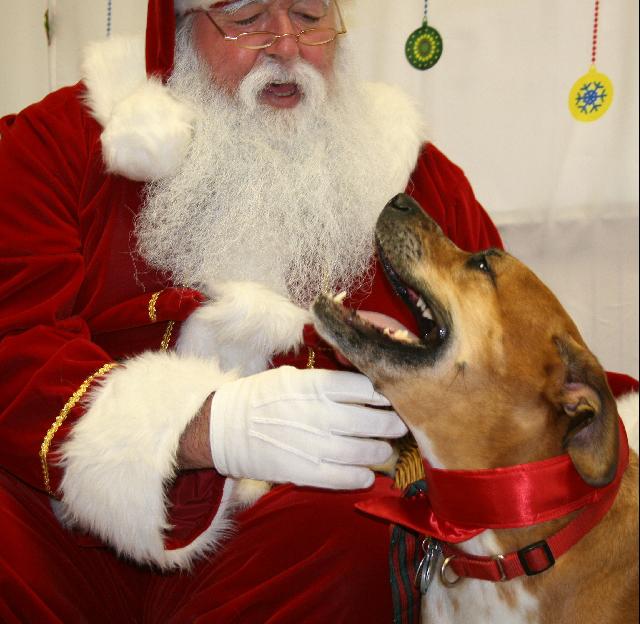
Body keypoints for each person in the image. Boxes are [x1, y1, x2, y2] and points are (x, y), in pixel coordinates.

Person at [0, 0, 518, 621]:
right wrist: (204, 427)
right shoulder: (58, 143)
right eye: (245, 17)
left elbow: (514, 358)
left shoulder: (410, 178)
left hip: (292, 553)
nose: (286, 46)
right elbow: (16, 339)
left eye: (307, 14)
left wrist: (417, 378)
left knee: (361, 522)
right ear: (177, 35)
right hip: (68, 547)